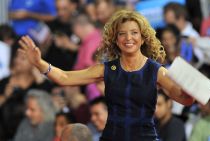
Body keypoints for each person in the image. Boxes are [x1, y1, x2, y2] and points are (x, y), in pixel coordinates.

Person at [18, 10, 194, 141]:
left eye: (134, 33)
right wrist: (39, 63)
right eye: (122, 34)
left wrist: (193, 91)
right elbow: (64, 78)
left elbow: (184, 99)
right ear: (115, 40)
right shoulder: (107, 69)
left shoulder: (157, 71)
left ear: (143, 37)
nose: (128, 38)